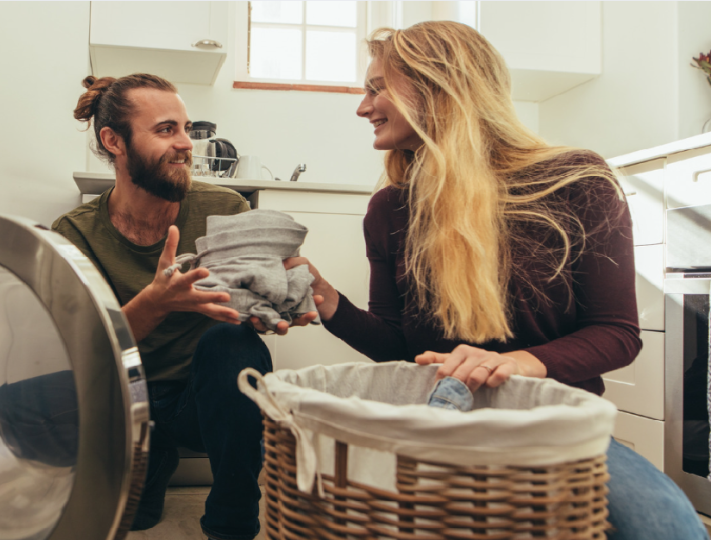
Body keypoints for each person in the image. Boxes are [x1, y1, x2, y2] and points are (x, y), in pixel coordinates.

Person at [290, 21, 709, 539]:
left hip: (553, 423)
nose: (363, 106)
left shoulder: (577, 182)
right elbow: (398, 347)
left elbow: (615, 333)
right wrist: (330, 302)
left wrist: (511, 364)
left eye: (377, 87)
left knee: (666, 528)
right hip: (437, 417)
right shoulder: (390, 210)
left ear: (439, 86)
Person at [52, 73, 318, 540]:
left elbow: (265, 280)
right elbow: (82, 352)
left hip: (201, 403)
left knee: (232, 342)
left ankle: (232, 524)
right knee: (1, 409)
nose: (185, 144)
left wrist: (278, 299)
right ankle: (150, 460)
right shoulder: (75, 235)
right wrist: (155, 303)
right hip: (124, 404)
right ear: (114, 141)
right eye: (165, 130)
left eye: (185, 129)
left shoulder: (225, 211)